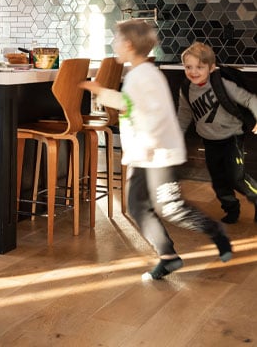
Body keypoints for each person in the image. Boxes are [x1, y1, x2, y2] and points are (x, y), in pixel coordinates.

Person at [81, 20, 233, 280]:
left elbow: (155, 115)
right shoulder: (139, 74)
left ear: (128, 45)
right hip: (145, 155)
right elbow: (130, 105)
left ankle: (216, 231)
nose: (113, 45)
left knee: (172, 207)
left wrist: (149, 146)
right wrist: (102, 93)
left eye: (116, 40)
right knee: (138, 207)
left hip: (157, 153)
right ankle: (168, 257)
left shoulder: (145, 76)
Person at [177, 41, 257, 223]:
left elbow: (250, 99)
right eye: (188, 67)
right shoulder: (186, 89)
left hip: (232, 137)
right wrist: (176, 137)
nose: (193, 72)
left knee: (237, 178)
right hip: (209, 140)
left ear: (211, 68)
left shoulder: (222, 84)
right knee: (218, 180)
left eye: (199, 67)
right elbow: (183, 115)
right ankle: (231, 209)